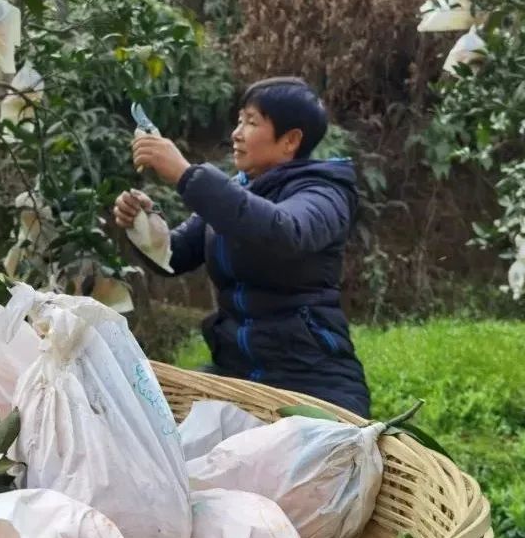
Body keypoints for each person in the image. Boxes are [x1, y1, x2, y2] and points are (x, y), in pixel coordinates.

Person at [115, 77, 371, 418]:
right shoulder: (237, 191)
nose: (237, 132)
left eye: (252, 122)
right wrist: (145, 225)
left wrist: (186, 175)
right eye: (240, 120)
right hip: (236, 377)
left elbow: (285, 232)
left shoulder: (325, 192)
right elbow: (174, 256)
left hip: (311, 381)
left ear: (290, 140)